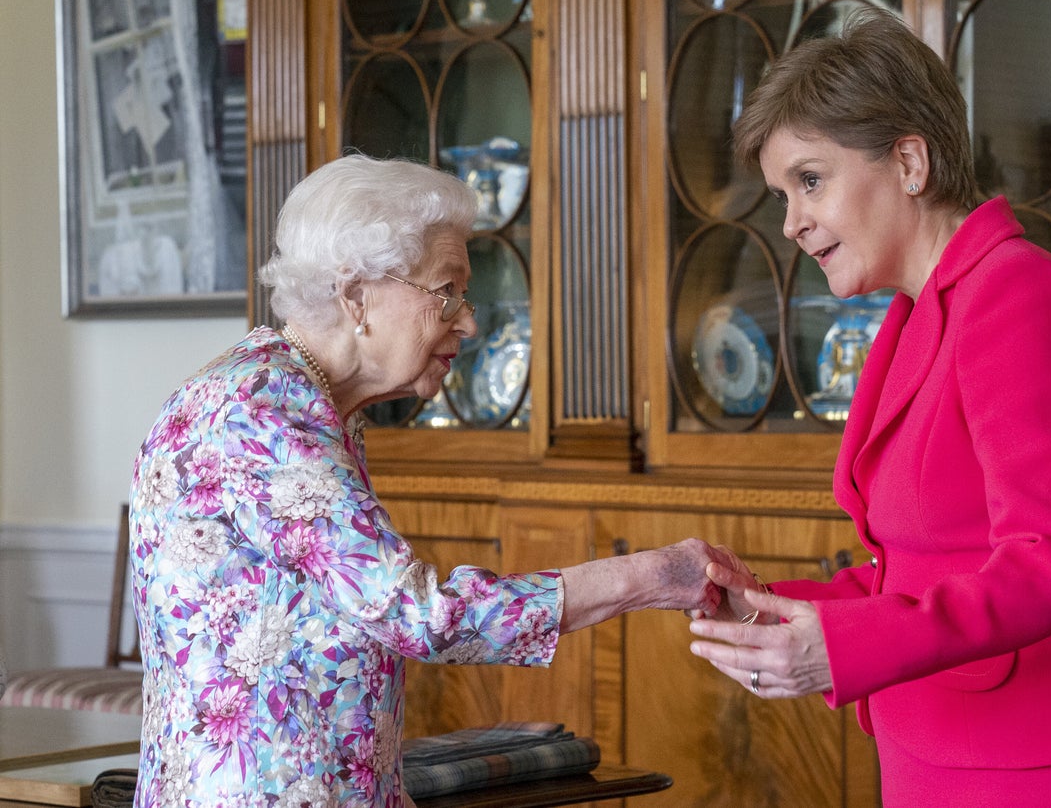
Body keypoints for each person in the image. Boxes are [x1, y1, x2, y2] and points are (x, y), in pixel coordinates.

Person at [687, 7, 1051, 807]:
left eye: (810, 181)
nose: (791, 222)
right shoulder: (919, 311)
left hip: (1046, 758)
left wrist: (843, 650)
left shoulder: (1017, 295)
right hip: (936, 746)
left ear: (910, 161)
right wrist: (775, 608)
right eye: (783, 193)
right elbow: (920, 567)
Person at [129, 154, 725, 807]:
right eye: (447, 292)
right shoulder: (261, 413)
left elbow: (335, 626)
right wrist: (648, 576)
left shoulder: (308, 403)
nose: (467, 321)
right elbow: (417, 615)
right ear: (355, 295)